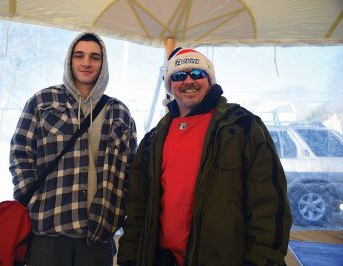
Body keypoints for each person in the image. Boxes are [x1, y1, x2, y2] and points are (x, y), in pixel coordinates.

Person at [117, 47, 292, 266]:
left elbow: (269, 204)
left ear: (210, 80)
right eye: (179, 76)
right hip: (163, 259)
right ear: (170, 85)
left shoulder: (242, 126)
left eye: (197, 74)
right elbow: (137, 208)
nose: (188, 81)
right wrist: (129, 258)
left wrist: (262, 261)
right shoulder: (153, 139)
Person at [10, 32, 137, 266]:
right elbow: (20, 154)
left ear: (104, 63)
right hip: (48, 234)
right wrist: (33, 198)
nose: (86, 62)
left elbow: (131, 170)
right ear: (70, 60)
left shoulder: (120, 112)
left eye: (94, 57)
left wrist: (118, 212)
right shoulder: (43, 102)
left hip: (98, 236)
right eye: (79, 56)